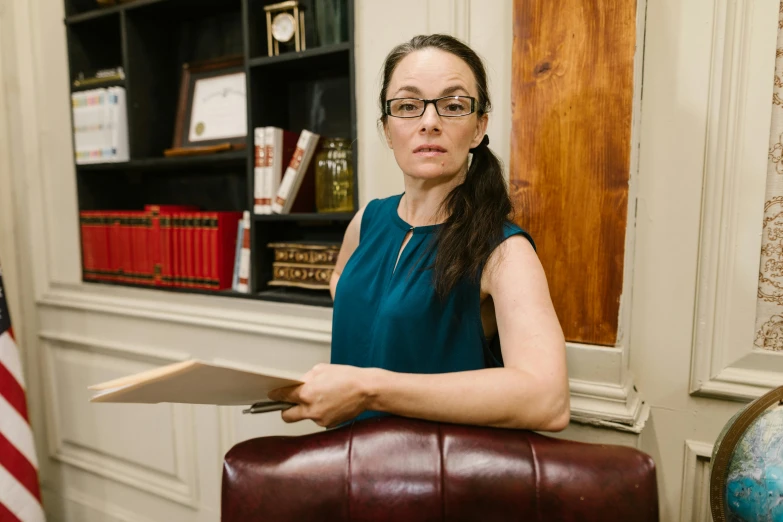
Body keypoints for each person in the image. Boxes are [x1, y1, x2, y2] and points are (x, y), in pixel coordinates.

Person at [268, 34, 569, 432]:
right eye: (408, 106)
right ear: (388, 130)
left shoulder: (505, 251)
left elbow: (548, 400)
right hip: (348, 465)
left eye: (453, 106)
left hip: (437, 476)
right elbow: (341, 280)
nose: (429, 122)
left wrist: (368, 388)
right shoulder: (366, 221)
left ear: (479, 129)